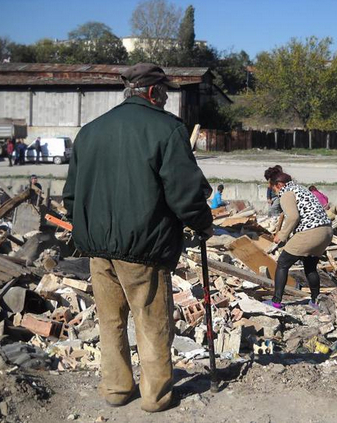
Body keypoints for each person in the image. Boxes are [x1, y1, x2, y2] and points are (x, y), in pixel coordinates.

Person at [62, 63, 213, 413]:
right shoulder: (167, 129)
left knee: (110, 321)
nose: (165, 97)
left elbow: (71, 196)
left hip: (98, 249)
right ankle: (155, 397)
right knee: (152, 322)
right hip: (143, 248)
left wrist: (87, 230)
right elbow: (185, 193)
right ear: (152, 92)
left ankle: (116, 389)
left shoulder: (91, 131)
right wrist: (202, 223)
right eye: (163, 91)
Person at [262, 169, 333, 310]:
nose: (275, 192)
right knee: (310, 267)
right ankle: (315, 301)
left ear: (279, 185)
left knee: (282, 263)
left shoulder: (287, 193)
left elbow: (293, 217)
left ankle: (276, 302)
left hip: (310, 232)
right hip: (326, 231)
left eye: (273, 188)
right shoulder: (301, 189)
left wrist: (281, 235)